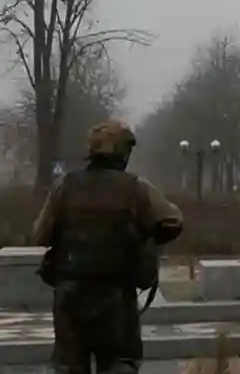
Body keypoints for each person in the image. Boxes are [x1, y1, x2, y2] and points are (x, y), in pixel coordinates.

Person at [33, 120, 183, 374]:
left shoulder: (65, 186)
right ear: (123, 153)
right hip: (116, 296)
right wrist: (145, 239)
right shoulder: (136, 188)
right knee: (119, 365)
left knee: (67, 366)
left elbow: (41, 235)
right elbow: (172, 221)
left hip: (71, 294)